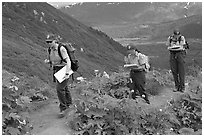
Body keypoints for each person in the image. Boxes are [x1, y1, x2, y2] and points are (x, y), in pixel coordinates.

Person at [45, 34, 72, 117]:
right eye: (47, 42)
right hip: (57, 69)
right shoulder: (50, 49)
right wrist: (49, 62)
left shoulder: (61, 49)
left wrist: (67, 73)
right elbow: (54, 59)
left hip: (64, 69)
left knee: (59, 88)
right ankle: (69, 104)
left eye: (50, 41)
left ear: (55, 41)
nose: (49, 43)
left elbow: (68, 61)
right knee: (64, 87)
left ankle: (63, 108)